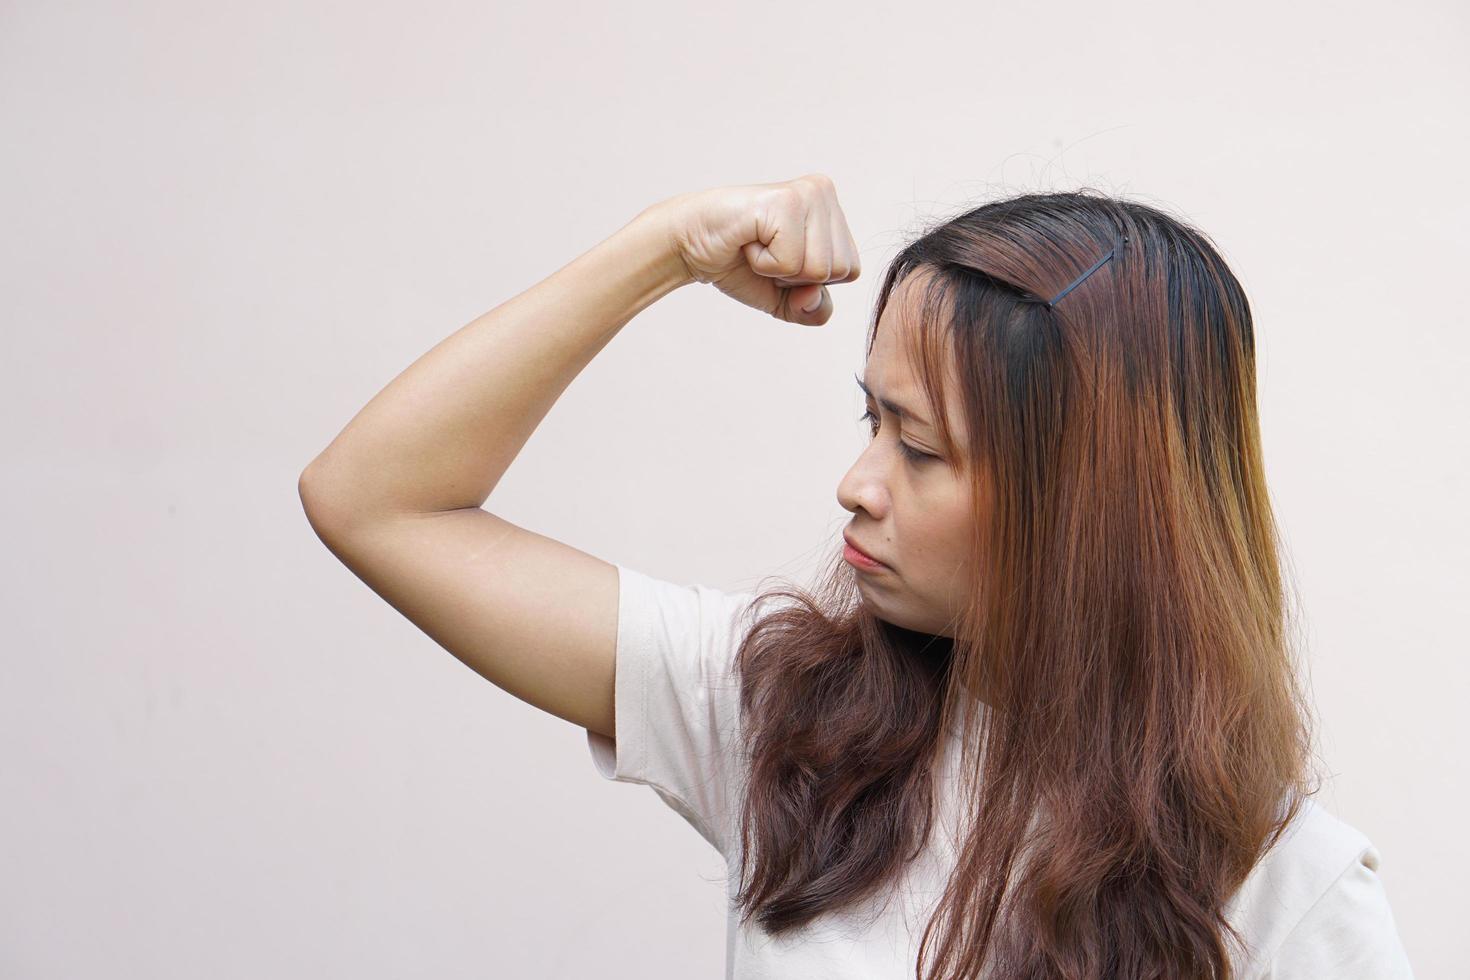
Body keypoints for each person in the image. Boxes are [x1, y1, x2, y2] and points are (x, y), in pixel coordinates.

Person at [298, 174, 1415, 978]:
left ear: (1087, 508)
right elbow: (375, 501)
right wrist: (665, 246)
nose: (856, 482)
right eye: (868, 418)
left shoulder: (1282, 886)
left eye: (917, 447)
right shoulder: (791, 717)